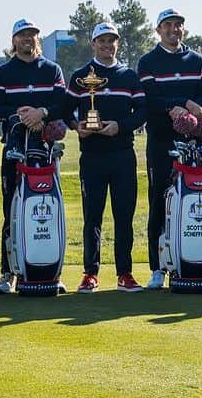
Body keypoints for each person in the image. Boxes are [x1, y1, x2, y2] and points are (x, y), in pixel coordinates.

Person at [65, 22, 147, 293]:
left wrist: (120, 126)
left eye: (111, 41)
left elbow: (142, 111)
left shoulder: (128, 75)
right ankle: (90, 273)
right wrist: (77, 127)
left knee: (124, 216)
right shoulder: (80, 76)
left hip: (123, 154)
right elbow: (66, 109)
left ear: (118, 44)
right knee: (93, 217)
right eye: (102, 41)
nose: (107, 45)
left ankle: (125, 273)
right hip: (92, 157)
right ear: (93, 44)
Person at [0, 19, 67, 294]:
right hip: (14, 148)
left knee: (49, 207)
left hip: (46, 151)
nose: (27, 39)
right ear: (14, 40)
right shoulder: (3, 72)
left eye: (32, 35)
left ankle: (51, 268)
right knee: (12, 209)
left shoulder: (51, 69)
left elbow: (63, 104)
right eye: (22, 35)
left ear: (38, 39)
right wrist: (23, 113)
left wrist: (42, 113)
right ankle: (8, 273)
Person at [136, 8, 202, 290]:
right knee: (159, 199)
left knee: (196, 200)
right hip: (161, 142)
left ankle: (197, 260)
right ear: (158, 30)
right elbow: (151, 100)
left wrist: (193, 107)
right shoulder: (148, 61)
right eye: (167, 25)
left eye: (178, 25)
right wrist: (178, 104)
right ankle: (158, 268)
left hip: (195, 143)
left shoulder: (197, 59)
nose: (173, 30)